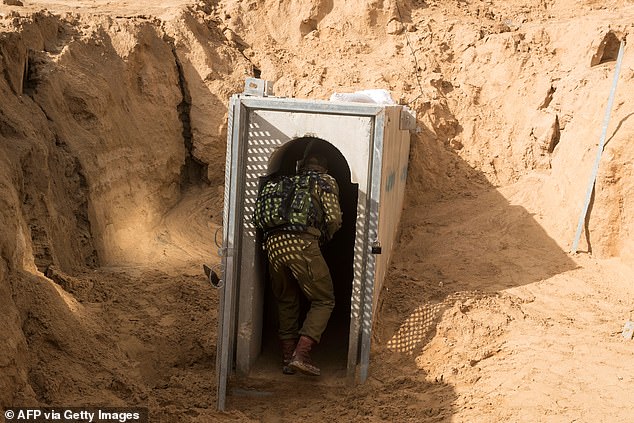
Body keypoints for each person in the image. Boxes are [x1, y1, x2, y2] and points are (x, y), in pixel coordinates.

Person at [262, 152, 342, 376]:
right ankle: (301, 355)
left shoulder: (285, 182)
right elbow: (334, 218)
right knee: (324, 300)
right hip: (304, 244)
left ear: (301, 166)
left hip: (273, 246)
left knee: (286, 299)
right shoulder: (324, 181)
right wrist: (324, 237)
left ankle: (287, 358)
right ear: (324, 169)